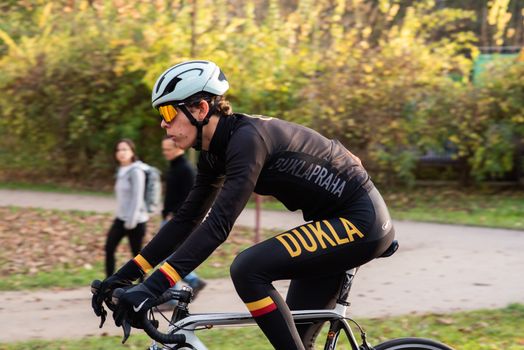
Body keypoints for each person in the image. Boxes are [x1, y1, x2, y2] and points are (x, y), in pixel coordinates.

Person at [93, 60, 395, 350]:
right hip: (332, 224)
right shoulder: (213, 153)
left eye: (170, 111)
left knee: (248, 268)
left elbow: (218, 225)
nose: (163, 122)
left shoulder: (247, 141)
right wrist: (125, 275)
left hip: (359, 222)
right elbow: (187, 220)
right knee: (294, 341)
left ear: (201, 108)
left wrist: (154, 286)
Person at [161, 136, 207, 297]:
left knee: (165, 259)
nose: (165, 152)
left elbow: (191, 197)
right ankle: (193, 281)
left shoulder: (185, 169)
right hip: (169, 218)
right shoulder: (174, 167)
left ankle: (174, 296)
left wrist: (174, 214)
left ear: (179, 148)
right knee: (167, 258)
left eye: (168, 149)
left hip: (175, 220)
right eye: (164, 149)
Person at [104, 139, 149, 278]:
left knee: (137, 256)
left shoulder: (136, 171)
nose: (121, 153)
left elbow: (137, 197)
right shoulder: (122, 170)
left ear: (132, 152)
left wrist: (131, 221)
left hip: (136, 220)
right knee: (109, 248)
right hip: (121, 219)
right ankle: (108, 283)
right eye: (118, 150)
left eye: (125, 149)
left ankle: (142, 285)